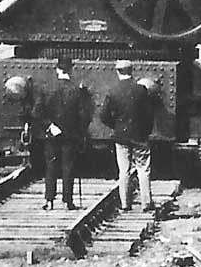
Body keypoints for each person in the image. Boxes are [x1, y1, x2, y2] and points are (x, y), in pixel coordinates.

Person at [32, 56, 91, 210]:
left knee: (50, 166)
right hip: (70, 135)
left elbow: (37, 112)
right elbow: (83, 115)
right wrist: (81, 132)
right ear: (71, 70)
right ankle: (67, 201)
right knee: (68, 167)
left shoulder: (46, 89)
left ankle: (49, 200)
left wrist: (50, 125)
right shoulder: (77, 90)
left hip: (51, 134)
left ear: (57, 69)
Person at [101, 59, 156, 212]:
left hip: (121, 136)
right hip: (140, 135)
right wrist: (146, 130)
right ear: (132, 71)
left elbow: (103, 115)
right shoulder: (141, 90)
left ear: (118, 72)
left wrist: (116, 126)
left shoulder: (113, 91)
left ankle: (125, 204)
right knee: (143, 169)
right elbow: (148, 114)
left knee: (123, 170)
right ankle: (147, 203)